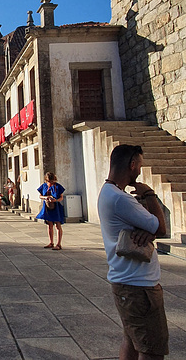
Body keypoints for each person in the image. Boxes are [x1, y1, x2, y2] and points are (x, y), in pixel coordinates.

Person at [98, 144, 168, 359]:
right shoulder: (121, 199)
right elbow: (161, 227)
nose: (139, 172)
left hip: (124, 282)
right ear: (132, 165)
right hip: (139, 287)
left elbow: (150, 228)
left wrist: (148, 230)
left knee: (131, 340)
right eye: (139, 166)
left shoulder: (109, 193)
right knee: (151, 349)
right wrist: (149, 193)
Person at [36, 172, 66, 250]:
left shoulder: (58, 186)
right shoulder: (44, 186)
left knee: (57, 225)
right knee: (49, 225)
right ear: (46, 180)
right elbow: (40, 196)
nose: (51, 183)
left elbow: (61, 198)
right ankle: (51, 242)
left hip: (56, 207)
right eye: (49, 181)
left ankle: (59, 244)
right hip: (47, 206)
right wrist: (45, 197)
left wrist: (55, 200)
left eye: (52, 181)